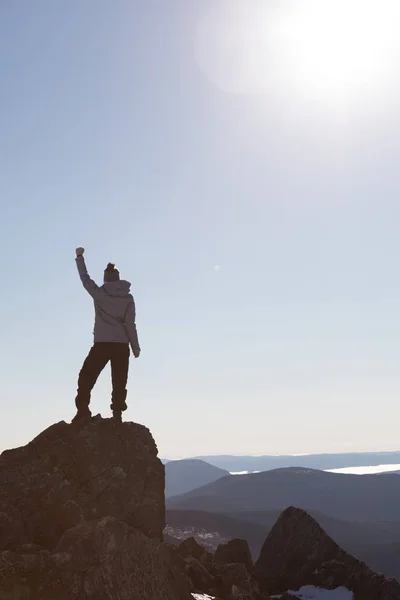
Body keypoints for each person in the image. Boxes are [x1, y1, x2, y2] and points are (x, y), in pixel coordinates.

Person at [72, 247, 140, 423]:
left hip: (102, 343)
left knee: (86, 376)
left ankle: (82, 411)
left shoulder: (99, 294)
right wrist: (135, 347)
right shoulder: (128, 298)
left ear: (105, 279)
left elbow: (84, 278)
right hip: (121, 345)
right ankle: (117, 414)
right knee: (119, 381)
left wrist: (79, 257)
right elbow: (130, 324)